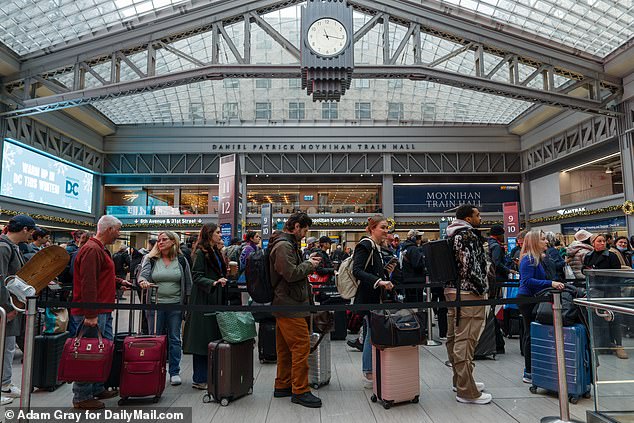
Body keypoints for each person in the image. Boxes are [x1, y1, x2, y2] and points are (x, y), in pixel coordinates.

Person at [71, 215, 131, 410]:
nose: (119, 234)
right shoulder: (92, 250)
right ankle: (82, 396)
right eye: (118, 230)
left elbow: (101, 275)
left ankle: (96, 388)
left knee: (100, 351)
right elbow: (88, 283)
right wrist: (90, 314)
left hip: (101, 310)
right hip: (93, 312)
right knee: (88, 351)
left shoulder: (97, 249)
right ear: (109, 229)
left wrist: (119, 281)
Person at [268, 212, 322, 408]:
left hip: (286, 302)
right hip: (290, 304)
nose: (305, 234)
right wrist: (310, 265)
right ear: (296, 226)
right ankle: (300, 390)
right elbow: (290, 274)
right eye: (305, 230)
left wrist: (307, 263)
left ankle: (282, 385)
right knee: (301, 346)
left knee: (284, 349)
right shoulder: (283, 245)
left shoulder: (286, 244)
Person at [445, 204, 492, 405]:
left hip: (451, 291)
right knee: (466, 340)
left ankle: (460, 380)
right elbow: (470, 267)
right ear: (468, 218)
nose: (480, 218)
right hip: (468, 293)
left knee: (454, 337)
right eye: (477, 215)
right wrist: (483, 288)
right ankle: (467, 391)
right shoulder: (468, 236)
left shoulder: (450, 234)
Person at [138, 231, 192, 386]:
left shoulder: (181, 260)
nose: (160, 242)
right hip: (155, 304)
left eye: (164, 239)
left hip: (175, 305)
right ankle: (155, 369)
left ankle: (174, 371)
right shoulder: (151, 259)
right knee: (155, 338)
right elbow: (143, 275)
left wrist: (187, 306)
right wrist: (143, 281)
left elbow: (188, 283)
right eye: (159, 240)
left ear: (173, 242)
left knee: (175, 338)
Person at [352, 215, 396, 390]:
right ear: (372, 229)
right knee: (371, 333)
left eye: (387, 228)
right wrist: (379, 282)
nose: (386, 231)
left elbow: (371, 270)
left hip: (375, 297)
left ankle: (371, 370)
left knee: (372, 332)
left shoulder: (376, 247)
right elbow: (357, 270)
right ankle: (369, 372)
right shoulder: (365, 245)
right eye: (382, 227)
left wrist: (385, 272)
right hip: (369, 297)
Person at [516, 230, 565, 384]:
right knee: (530, 335)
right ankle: (529, 371)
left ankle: (534, 369)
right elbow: (527, 281)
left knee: (533, 334)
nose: (546, 242)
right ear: (535, 242)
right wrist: (550, 283)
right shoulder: (529, 259)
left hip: (534, 299)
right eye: (543, 239)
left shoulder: (537, 258)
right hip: (528, 300)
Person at [183, 223, 228, 390]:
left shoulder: (214, 251)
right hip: (203, 299)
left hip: (212, 297)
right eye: (217, 232)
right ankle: (200, 377)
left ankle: (206, 376)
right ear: (209, 234)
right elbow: (197, 276)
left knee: (208, 338)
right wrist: (214, 282)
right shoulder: (202, 253)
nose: (220, 235)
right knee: (201, 339)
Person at [0, 215, 38, 405]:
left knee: (7, 346)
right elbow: (1, 280)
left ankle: (5, 383)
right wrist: (7, 307)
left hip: (12, 305)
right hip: (5, 308)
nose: (32, 235)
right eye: (31, 231)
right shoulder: (4, 247)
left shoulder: (11, 247)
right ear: (24, 229)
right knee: (1, 347)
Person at [583, 234, 627, 359]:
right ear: (593, 243)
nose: (602, 243)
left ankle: (619, 345)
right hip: (596, 292)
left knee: (614, 319)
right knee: (598, 320)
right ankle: (604, 344)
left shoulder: (612, 256)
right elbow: (584, 269)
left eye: (603, 241)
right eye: (599, 241)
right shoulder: (589, 256)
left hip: (611, 292)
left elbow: (616, 274)